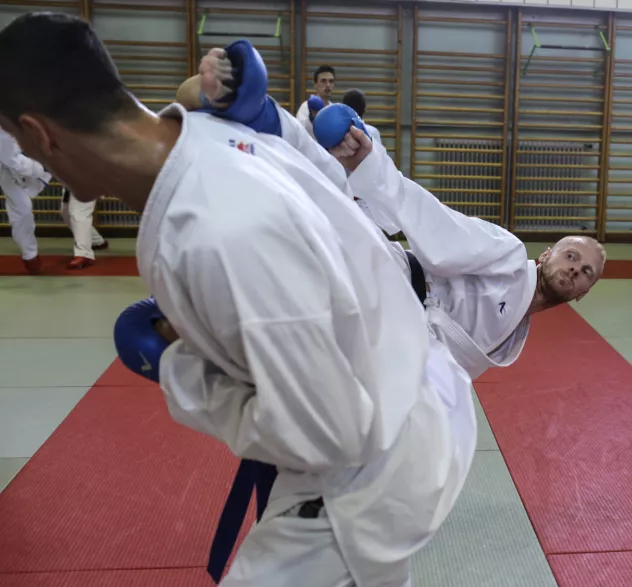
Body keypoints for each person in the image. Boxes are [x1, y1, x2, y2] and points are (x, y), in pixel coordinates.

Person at [0, 14, 475, 587]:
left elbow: (331, 434)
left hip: (372, 472)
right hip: (406, 389)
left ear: (38, 133)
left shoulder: (215, 233)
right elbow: (321, 179)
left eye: (16, 139)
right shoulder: (218, 135)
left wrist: (185, 371)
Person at [177, 43, 608, 380]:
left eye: (585, 271)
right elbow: (441, 233)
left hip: (386, 346)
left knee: (294, 366)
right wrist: (374, 169)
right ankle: (259, 115)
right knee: (322, 205)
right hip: (392, 283)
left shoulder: (511, 340)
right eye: (572, 256)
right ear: (547, 254)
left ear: (584, 293)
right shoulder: (511, 256)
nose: (575, 269)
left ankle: (188, 329)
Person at [0, 127, 45, 274]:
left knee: (23, 210)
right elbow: (9, 157)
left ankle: (30, 256)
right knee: (22, 210)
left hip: (11, 165)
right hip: (11, 162)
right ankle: (30, 256)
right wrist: (35, 169)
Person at [61, 187, 108, 269]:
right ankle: (96, 241)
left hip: (86, 182)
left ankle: (83, 253)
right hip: (70, 183)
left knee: (79, 213)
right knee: (66, 213)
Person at [295, 64, 335, 140]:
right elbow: (299, 134)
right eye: (323, 81)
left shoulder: (334, 109)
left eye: (331, 81)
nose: (328, 85)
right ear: (315, 85)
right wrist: (312, 118)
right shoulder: (305, 108)